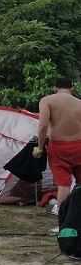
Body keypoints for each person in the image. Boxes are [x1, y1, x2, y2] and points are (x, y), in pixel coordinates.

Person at [33, 77, 81, 235]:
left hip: (59, 148)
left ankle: (64, 225)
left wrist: (39, 148)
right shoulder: (79, 103)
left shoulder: (47, 100)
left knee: (64, 185)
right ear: (72, 89)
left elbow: (42, 126)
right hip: (79, 146)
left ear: (55, 88)